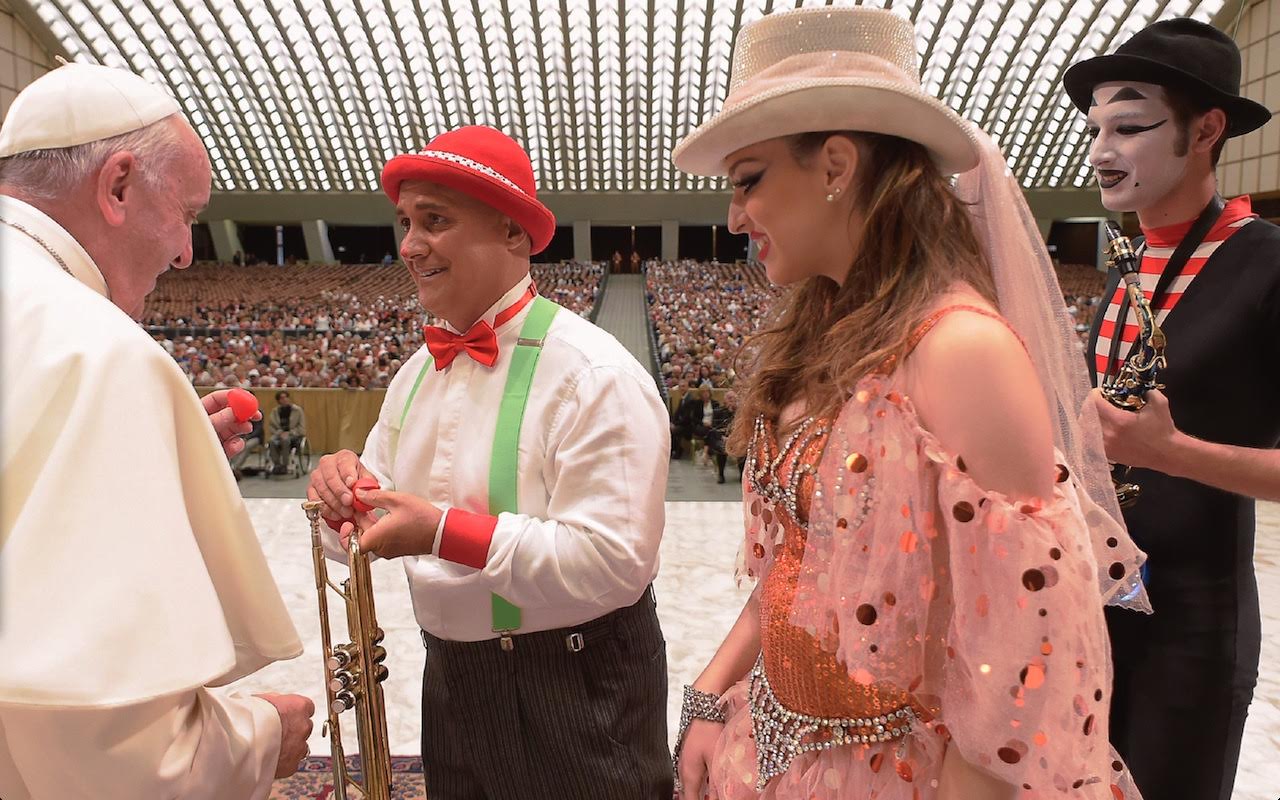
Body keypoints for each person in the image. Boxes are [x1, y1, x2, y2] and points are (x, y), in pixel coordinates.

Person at [669, 8, 1149, 799]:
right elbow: (797, 567)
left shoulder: (963, 352)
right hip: (770, 754)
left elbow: (1018, 681)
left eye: (749, 180)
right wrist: (707, 696)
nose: (733, 217)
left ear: (835, 164)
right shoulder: (825, 330)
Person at [307, 125, 672, 799]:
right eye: (406, 223)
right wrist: (341, 499)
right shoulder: (413, 375)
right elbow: (360, 531)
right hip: (453, 680)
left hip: (577, 687)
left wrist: (442, 532)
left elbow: (613, 562)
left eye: (435, 221)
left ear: (512, 232)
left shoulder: (594, 373)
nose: (410, 245)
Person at [0, 63, 312, 798]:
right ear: (117, 186)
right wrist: (260, 735)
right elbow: (110, 753)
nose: (186, 253)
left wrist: (154, 459)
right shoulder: (97, 349)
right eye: (187, 213)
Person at [1064, 19, 1280, 800]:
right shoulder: (1130, 265)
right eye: (1095, 130)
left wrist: (1172, 452)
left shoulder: (1265, 264)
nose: (1101, 151)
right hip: (1091, 604)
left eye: (1129, 127)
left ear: (1208, 130)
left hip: (1191, 625)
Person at [268, 390, 305, 474]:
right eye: (282, 398)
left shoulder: (297, 410)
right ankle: (277, 464)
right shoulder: (275, 411)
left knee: (285, 440)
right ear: (278, 401)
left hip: (293, 434)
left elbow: (301, 428)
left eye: (286, 397)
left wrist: (289, 433)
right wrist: (279, 433)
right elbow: (271, 427)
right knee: (271, 441)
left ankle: (285, 465)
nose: (284, 399)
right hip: (279, 433)